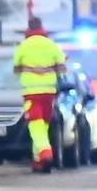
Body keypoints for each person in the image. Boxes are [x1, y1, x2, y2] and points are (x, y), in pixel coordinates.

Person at [12, 16, 69, 172]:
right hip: (49, 93)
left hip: (31, 92)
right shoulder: (51, 45)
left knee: (35, 125)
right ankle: (38, 162)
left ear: (28, 28)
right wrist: (48, 70)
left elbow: (16, 68)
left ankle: (45, 154)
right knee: (43, 126)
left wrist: (31, 69)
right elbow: (63, 68)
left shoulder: (24, 46)